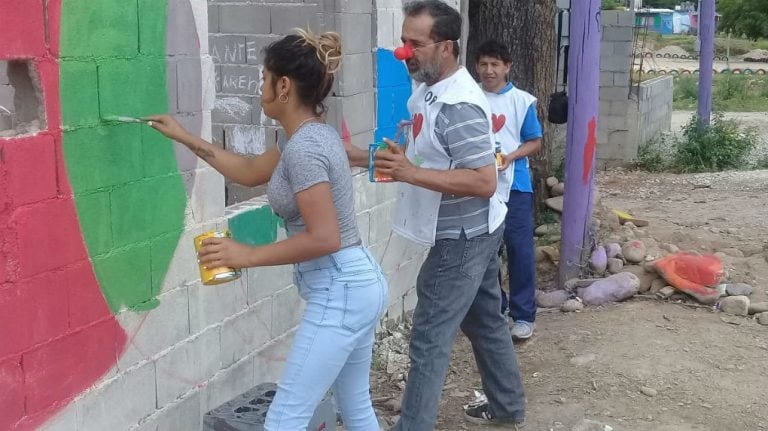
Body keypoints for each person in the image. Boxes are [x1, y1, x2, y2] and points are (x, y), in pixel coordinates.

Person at [147, 29, 387, 431]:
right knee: (354, 404)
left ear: (284, 86)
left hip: (341, 288)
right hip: (356, 283)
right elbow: (249, 171)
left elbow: (324, 236)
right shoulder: (304, 138)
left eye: (264, 78)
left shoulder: (305, 148)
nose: (260, 86)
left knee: (283, 420)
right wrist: (183, 136)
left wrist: (246, 255)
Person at [344, 2, 526, 429]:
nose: (404, 52)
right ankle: (507, 406)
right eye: (403, 41)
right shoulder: (431, 90)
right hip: (477, 228)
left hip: (462, 234)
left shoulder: (460, 106)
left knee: (427, 336)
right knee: (484, 321)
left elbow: (483, 181)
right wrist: (365, 157)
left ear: (445, 48)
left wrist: (412, 171)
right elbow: (427, 155)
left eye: (414, 44)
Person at [476, 39, 543, 341]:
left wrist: (511, 157)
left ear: (507, 67)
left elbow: (535, 141)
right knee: (485, 251)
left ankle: (523, 314)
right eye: (483, 64)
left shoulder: (522, 101)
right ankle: (494, 309)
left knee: (519, 251)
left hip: (516, 186)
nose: (489, 70)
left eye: (495, 64)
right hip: (478, 186)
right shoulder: (469, 98)